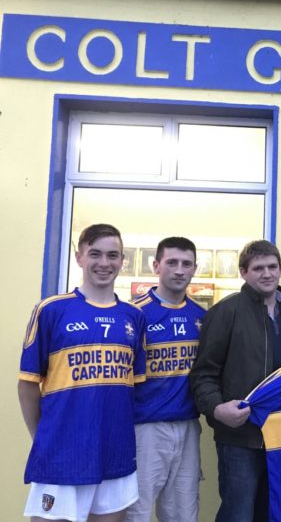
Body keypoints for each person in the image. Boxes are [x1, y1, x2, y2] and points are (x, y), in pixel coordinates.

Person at [18, 223, 147, 522]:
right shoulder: (50, 310)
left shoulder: (134, 317)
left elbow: (134, 389)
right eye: (95, 254)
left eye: (113, 255)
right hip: (62, 452)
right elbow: (27, 385)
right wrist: (43, 439)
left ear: (122, 260)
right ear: (79, 257)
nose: (104, 263)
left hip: (116, 451)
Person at [189, 239, 281, 522]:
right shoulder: (225, 312)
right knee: (239, 514)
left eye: (272, 267)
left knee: (276, 512)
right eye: (258, 268)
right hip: (240, 437)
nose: (266, 273)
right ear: (243, 272)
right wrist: (218, 410)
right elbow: (203, 374)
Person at [125, 237, 206, 522]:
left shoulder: (202, 316)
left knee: (183, 512)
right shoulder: (134, 313)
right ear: (156, 265)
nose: (179, 270)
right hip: (145, 429)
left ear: (195, 268)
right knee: (138, 511)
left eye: (186, 264)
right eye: (172, 262)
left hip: (188, 427)